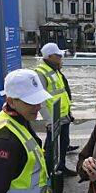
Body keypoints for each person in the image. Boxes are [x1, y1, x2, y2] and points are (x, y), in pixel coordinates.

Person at [35, 43, 76, 176]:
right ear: (49, 56)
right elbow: (40, 100)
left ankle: (61, 166)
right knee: (52, 147)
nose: (61, 57)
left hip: (62, 114)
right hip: (53, 116)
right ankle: (50, 172)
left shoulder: (54, 70)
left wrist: (69, 112)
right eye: (58, 55)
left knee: (63, 143)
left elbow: (62, 92)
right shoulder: (41, 73)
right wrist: (48, 120)